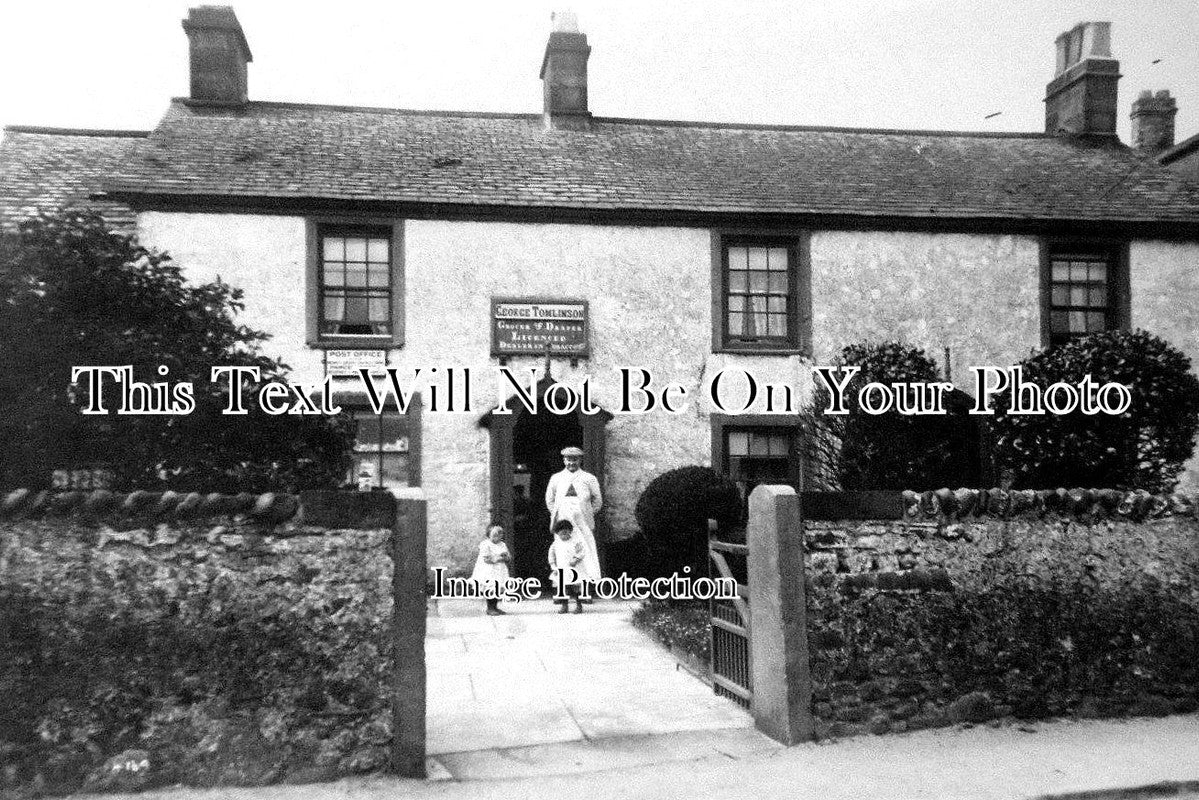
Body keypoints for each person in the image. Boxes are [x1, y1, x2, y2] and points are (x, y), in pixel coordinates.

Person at [544, 446, 602, 597]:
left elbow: (597, 500)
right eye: (568, 460)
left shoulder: (589, 478)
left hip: (582, 523)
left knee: (585, 554)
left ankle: (585, 592)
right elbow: (549, 500)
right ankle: (561, 592)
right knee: (562, 555)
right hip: (562, 523)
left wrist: (587, 513)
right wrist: (558, 517)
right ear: (564, 460)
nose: (571, 463)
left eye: (575, 459)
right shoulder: (556, 478)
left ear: (580, 460)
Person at [470, 524, 511, 616]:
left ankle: (495, 606)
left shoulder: (502, 544)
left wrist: (505, 557)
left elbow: (508, 557)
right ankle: (490, 608)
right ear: (489, 535)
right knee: (491, 588)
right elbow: (486, 559)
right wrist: (498, 558)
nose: (497, 538)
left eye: (499, 535)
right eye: (494, 535)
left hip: (500, 570)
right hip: (489, 570)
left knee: (498, 587)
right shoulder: (486, 544)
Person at [547, 519, 585, 614]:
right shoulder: (556, 544)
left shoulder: (575, 542)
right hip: (561, 569)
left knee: (575, 588)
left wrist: (576, 559)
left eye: (566, 531)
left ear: (570, 531)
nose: (564, 533)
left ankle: (579, 605)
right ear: (557, 533)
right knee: (563, 589)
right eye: (561, 532)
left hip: (574, 569)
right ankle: (564, 606)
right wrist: (553, 566)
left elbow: (582, 551)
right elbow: (551, 555)